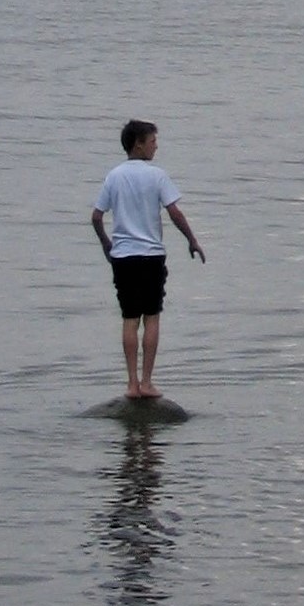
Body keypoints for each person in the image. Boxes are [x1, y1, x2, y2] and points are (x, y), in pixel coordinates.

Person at [91, 120, 205, 399]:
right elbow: (174, 212)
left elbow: (96, 217)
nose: (156, 146)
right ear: (138, 144)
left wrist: (107, 244)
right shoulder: (156, 175)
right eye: (153, 141)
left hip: (123, 258)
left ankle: (131, 385)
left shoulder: (113, 176)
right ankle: (147, 382)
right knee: (151, 317)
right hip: (151, 256)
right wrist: (192, 239)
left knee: (130, 318)